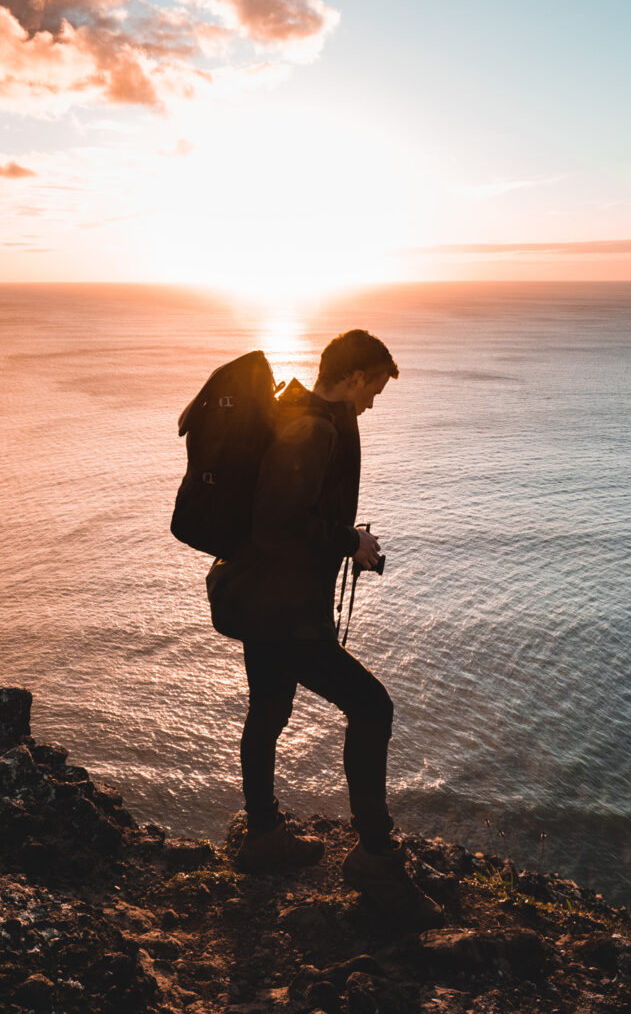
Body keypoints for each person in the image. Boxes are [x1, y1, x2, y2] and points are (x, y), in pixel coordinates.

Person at [206, 329, 441, 925]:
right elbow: (275, 522)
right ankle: (375, 859)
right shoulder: (314, 428)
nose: (373, 403)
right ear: (355, 377)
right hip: (282, 611)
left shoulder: (299, 413)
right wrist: (349, 540)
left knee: (268, 713)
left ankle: (263, 838)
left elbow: (286, 515)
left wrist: (344, 537)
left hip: (261, 602)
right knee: (372, 708)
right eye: (375, 389)